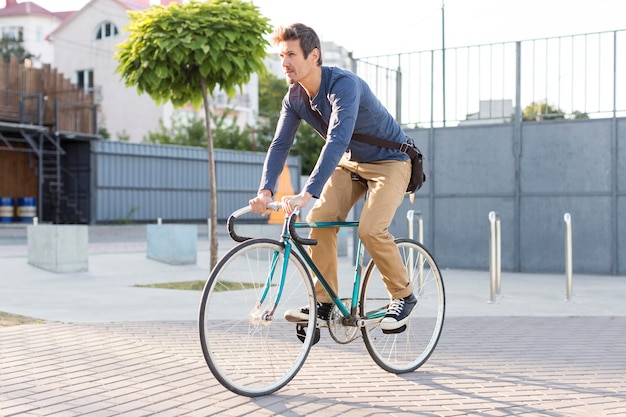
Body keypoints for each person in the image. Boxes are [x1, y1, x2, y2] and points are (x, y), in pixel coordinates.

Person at [249, 23, 415, 332]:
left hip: (390, 162)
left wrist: (306, 192)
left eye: (291, 55)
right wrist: (265, 190)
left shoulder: (344, 85)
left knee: (370, 229)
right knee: (321, 220)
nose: (284, 62)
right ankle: (324, 304)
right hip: (351, 164)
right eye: (281, 55)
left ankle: (403, 295)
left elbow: (337, 139)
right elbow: (280, 144)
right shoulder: (294, 97)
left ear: (314, 56)